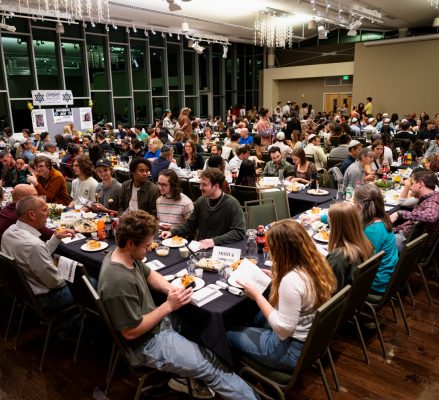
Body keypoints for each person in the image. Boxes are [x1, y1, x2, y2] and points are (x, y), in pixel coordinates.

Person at [97, 210, 256, 399]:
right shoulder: (117, 280)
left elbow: (149, 274)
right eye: (147, 245)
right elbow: (131, 331)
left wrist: (170, 290)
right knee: (212, 366)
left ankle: (188, 376)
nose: (150, 248)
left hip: (157, 326)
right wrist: (168, 306)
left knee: (205, 330)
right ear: (130, 243)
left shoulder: (126, 255)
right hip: (147, 344)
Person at [227, 219, 336, 372]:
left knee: (226, 334)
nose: (268, 251)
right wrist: (277, 278)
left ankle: (243, 376)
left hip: (290, 350)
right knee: (251, 317)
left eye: (270, 247)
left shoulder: (291, 280)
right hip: (311, 340)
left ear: (282, 250)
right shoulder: (316, 265)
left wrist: (258, 296)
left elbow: (283, 330)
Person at [1, 196, 75, 313]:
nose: (48, 213)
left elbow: (39, 254)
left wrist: (55, 237)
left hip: (22, 293)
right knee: (92, 281)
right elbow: (54, 282)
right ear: (32, 215)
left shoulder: (9, 231)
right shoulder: (33, 245)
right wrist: (72, 277)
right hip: (44, 300)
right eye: (45, 210)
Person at [160, 168, 245, 249]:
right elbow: (190, 224)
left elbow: (239, 232)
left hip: (222, 249)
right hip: (201, 247)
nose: (200, 187)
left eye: (204, 184)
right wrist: (172, 232)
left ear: (215, 186)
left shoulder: (232, 204)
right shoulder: (201, 201)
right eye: (200, 183)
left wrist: (214, 241)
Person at [353, 184, 399, 295]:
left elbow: (362, 261)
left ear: (359, 207)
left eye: (354, 203)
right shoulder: (382, 219)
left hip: (377, 283)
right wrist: (322, 217)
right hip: (386, 276)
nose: (353, 207)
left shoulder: (372, 230)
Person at [390, 170, 439, 254]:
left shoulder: (433, 202)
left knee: (371, 243)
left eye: (412, 183)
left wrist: (400, 213)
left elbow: (431, 216)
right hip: (409, 240)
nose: (410, 187)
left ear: (420, 184)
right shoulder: (429, 199)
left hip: (410, 246)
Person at [325, 202, 374, 290]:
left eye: (329, 223)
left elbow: (329, 292)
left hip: (340, 302)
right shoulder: (367, 244)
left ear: (336, 227)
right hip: (359, 296)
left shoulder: (338, 258)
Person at [0, 184, 53, 250]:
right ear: (21, 199)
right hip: (3, 256)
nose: (37, 198)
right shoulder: (21, 216)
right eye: (34, 196)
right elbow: (49, 235)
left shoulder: (7, 208)